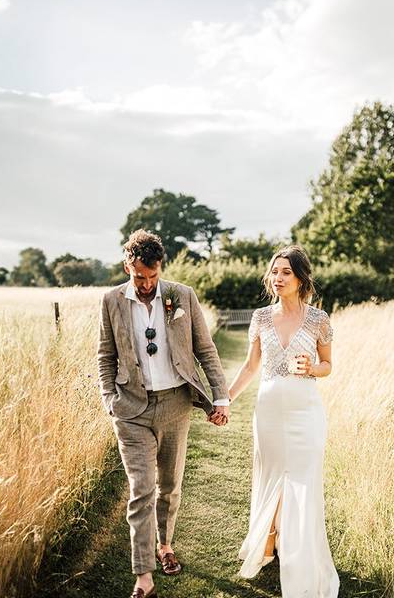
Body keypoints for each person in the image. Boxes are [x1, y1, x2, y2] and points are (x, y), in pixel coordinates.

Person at [97, 229, 231, 598]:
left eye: (153, 276)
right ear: (128, 265)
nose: (146, 284)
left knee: (169, 486)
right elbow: (105, 355)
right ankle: (144, 577)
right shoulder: (110, 301)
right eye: (139, 276)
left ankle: (165, 544)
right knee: (141, 489)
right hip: (131, 409)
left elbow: (205, 350)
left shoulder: (181, 295)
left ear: (160, 269)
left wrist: (220, 397)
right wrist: (110, 398)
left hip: (175, 405)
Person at [228, 244, 339, 598]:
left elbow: (328, 366)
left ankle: (300, 554)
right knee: (273, 475)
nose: (278, 278)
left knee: (303, 479)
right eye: (275, 272)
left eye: (286, 272)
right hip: (270, 412)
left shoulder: (320, 319)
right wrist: (224, 398)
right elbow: (250, 366)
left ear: (301, 277)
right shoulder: (261, 317)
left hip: (306, 413)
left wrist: (312, 368)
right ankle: (268, 543)